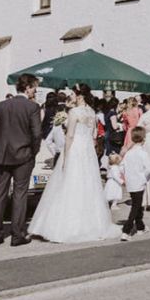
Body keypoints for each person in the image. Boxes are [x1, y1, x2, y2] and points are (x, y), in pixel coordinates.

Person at [28, 89, 123, 243]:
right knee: (87, 184)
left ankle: (65, 225)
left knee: (69, 182)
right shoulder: (92, 112)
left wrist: (65, 155)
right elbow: (93, 135)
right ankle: (93, 223)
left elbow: (70, 135)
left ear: (80, 96)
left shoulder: (74, 112)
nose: (69, 97)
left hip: (75, 148)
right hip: (87, 151)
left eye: (72, 94)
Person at [0, 73, 43, 247]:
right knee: (20, 194)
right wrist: (34, 152)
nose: (36, 90)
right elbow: (36, 134)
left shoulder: (0, 106)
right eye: (34, 87)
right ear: (27, 88)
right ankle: (17, 233)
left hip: (2, 154)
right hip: (23, 154)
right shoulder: (32, 107)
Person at [121, 127, 150, 241]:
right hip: (140, 182)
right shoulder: (143, 153)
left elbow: (122, 167)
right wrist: (145, 178)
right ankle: (126, 230)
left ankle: (140, 226)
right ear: (144, 139)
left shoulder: (129, 153)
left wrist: (126, 177)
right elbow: (149, 169)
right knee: (136, 206)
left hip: (130, 182)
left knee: (137, 203)